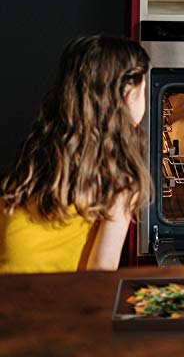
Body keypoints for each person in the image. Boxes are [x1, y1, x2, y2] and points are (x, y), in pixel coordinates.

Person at [0, 35, 151, 273]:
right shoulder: (119, 179)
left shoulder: (36, 153)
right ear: (128, 95)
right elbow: (100, 269)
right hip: (52, 303)